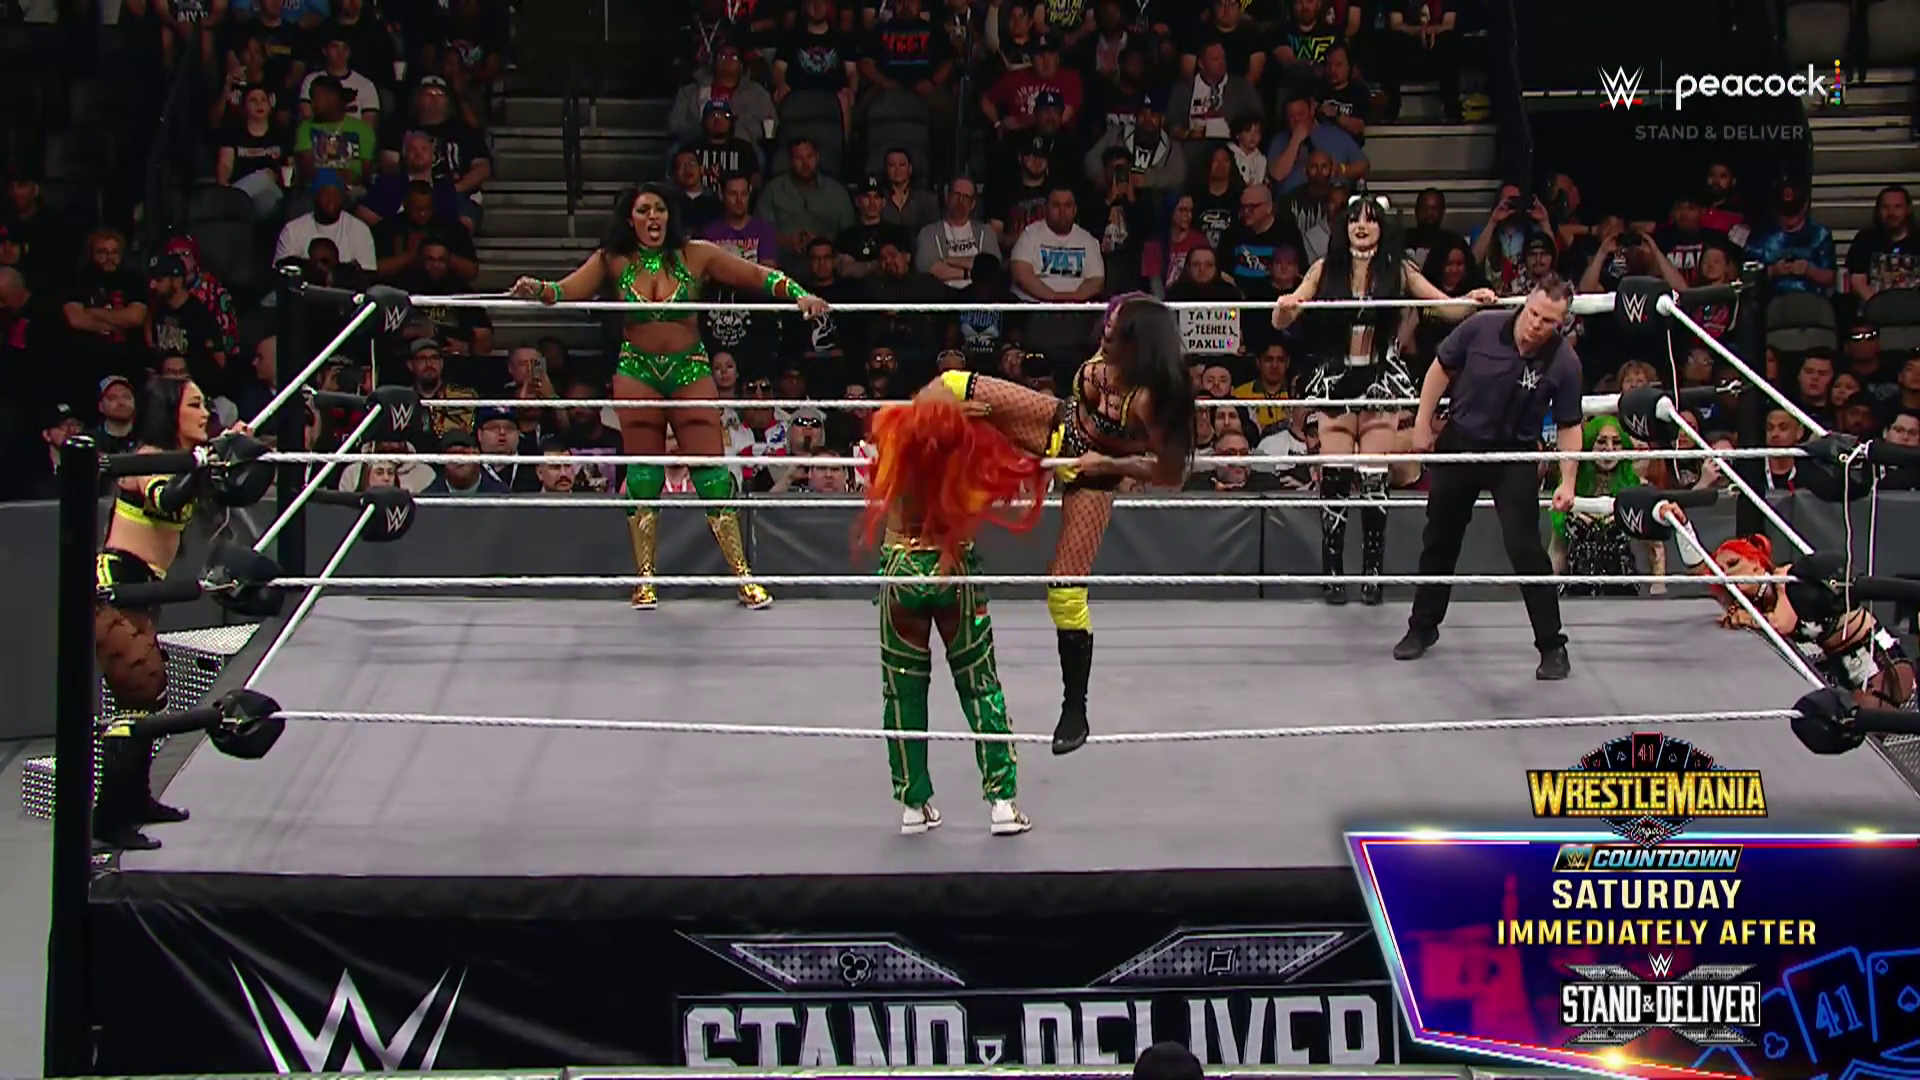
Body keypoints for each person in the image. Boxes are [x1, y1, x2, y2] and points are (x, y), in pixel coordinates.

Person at [511, 184, 830, 609]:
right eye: (644, 210)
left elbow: (756, 275)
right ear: (630, 219)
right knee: (643, 475)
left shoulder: (695, 254)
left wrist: (799, 294)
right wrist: (537, 289)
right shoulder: (612, 259)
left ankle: (743, 576)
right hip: (637, 370)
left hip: (689, 369)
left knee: (711, 474)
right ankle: (645, 580)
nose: (653, 216)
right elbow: (565, 291)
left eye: (660, 208)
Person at [911, 294, 1194, 754]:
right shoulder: (1107, 355)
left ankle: (1074, 708)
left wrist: (1110, 464)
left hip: (1096, 474)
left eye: (1114, 330)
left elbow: (1172, 473)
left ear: (1137, 342)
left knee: (1065, 592)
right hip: (1058, 425)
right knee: (951, 386)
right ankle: (916, 503)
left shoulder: (1151, 398)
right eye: (1106, 326)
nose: (1104, 333)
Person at [1271, 193, 1497, 605]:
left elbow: (1444, 308)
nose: (1361, 226)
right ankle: (1333, 572)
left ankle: (1373, 573)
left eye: (1370, 219)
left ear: (1382, 226)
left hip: (1380, 380)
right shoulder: (1324, 268)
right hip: (1337, 379)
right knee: (1335, 475)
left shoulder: (1399, 270)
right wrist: (1287, 307)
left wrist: (1473, 300)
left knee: (1375, 477)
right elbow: (1283, 315)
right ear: (1344, 226)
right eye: (1354, 219)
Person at [858, 395, 1048, 835]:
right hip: (951, 567)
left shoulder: (894, 443)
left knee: (902, 691)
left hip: (901, 568)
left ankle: (913, 805)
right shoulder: (965, 447)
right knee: (980, 685)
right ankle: (1002, 805)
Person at [1395, 277, 1583, 679]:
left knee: (1525, 548)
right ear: (1525, 303)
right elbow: (1440, 368)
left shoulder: (1564, 362)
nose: (1536, 325)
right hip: (1461, 441)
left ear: (1561, 323)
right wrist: (1422, 424)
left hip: (1514, 454)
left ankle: (1553, 646)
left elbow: (1570, 424)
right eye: (1533, 313)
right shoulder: (1482, 327)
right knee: (1440, 538)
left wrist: (1568, 480)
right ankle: (1422, 627)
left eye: (1548, 321)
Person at [93, 379, 253, 850]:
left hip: (144, 589)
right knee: (140, 696)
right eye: (196, 405)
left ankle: (137, 801)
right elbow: (166, 498)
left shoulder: (183, 459)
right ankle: (108, 820)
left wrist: (227, 450)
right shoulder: (148, 458)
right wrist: (206, 460)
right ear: (172, 413)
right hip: (115, 585)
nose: (205, 414)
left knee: (146, 701)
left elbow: (212, 484)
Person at [1681, 529, 1916, 712]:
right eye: (1722, 570)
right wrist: (1683, 526)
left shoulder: (1789, 580)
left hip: (1881, 663)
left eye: (1734, 564)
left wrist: (1754, 615)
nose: (1727, 573)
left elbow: (1780, 624)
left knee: (1860, 735)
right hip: (1845, 671)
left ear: (1756, 564)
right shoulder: (1755, 602)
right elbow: (1701, 574)